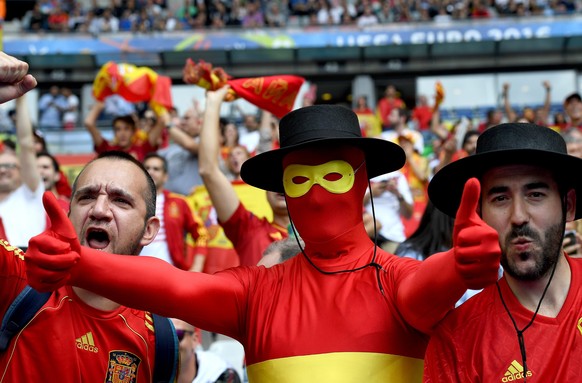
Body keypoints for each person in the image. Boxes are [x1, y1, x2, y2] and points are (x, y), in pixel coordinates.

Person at [26, 102, 502, 382]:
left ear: (363, 185)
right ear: (283, 193)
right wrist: (79, 265)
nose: (316, 193)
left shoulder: (396, 283)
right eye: (299, 179)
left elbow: (427, 286)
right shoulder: (257, 293)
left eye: (334, 175)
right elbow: (173, 286)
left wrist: (460, 264)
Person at [0, 52, 177, 381]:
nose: (99, 210)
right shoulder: (19, 277)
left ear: (150, 230)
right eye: (86, 197)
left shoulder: (161, 336)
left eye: (121, 201)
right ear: (68, 212)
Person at [424, 123, 582, 381]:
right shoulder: (458, 340)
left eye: (535, 194)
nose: (518, 216)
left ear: (569, 205)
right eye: (500, 198)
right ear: (478, 214)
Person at [198, 87, 289, 266]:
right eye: (274, 179)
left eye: (288, 180)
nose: (280, 186)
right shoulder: (248, 230)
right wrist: (214, 102)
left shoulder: (320, 236)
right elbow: (209, 171)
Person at [141, 152, 209, 271]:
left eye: (156, 169)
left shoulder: (179, 202)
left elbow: (201, 235)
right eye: (147, 168)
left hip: (171, 274)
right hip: (134, 272)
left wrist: (196, 268)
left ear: (165, 176)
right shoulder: (129, 201)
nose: (150, 171)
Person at [0, 93, 45, 249]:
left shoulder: (30, 192)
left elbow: (26, 143)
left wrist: (20, 97)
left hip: (29, 263)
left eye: (9, 166)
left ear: (22, 171)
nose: (3, 171)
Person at [84, 99, 164, 161]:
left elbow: (161, 121)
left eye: (126, 129)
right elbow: (89, 123)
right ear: (114, 133)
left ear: (133, 131)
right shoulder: (107, 149)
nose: (122, 133)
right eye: (118, 129)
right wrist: (100, 103)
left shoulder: (143, 148)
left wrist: (151, 103)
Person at [172, 318, 242, 383]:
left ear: (194, 340)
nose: (170, 343)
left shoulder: (221, 374)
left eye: (177, 335)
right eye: (164, 336)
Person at [159, 105, 205, 195]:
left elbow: (189, 145)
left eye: (187, 118)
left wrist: (168, 123)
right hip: (171, 204)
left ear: (199, 122)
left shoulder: (205, 142)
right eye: (182, 118)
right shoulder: (173, 146)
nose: (183, 122)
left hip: (193, 203)